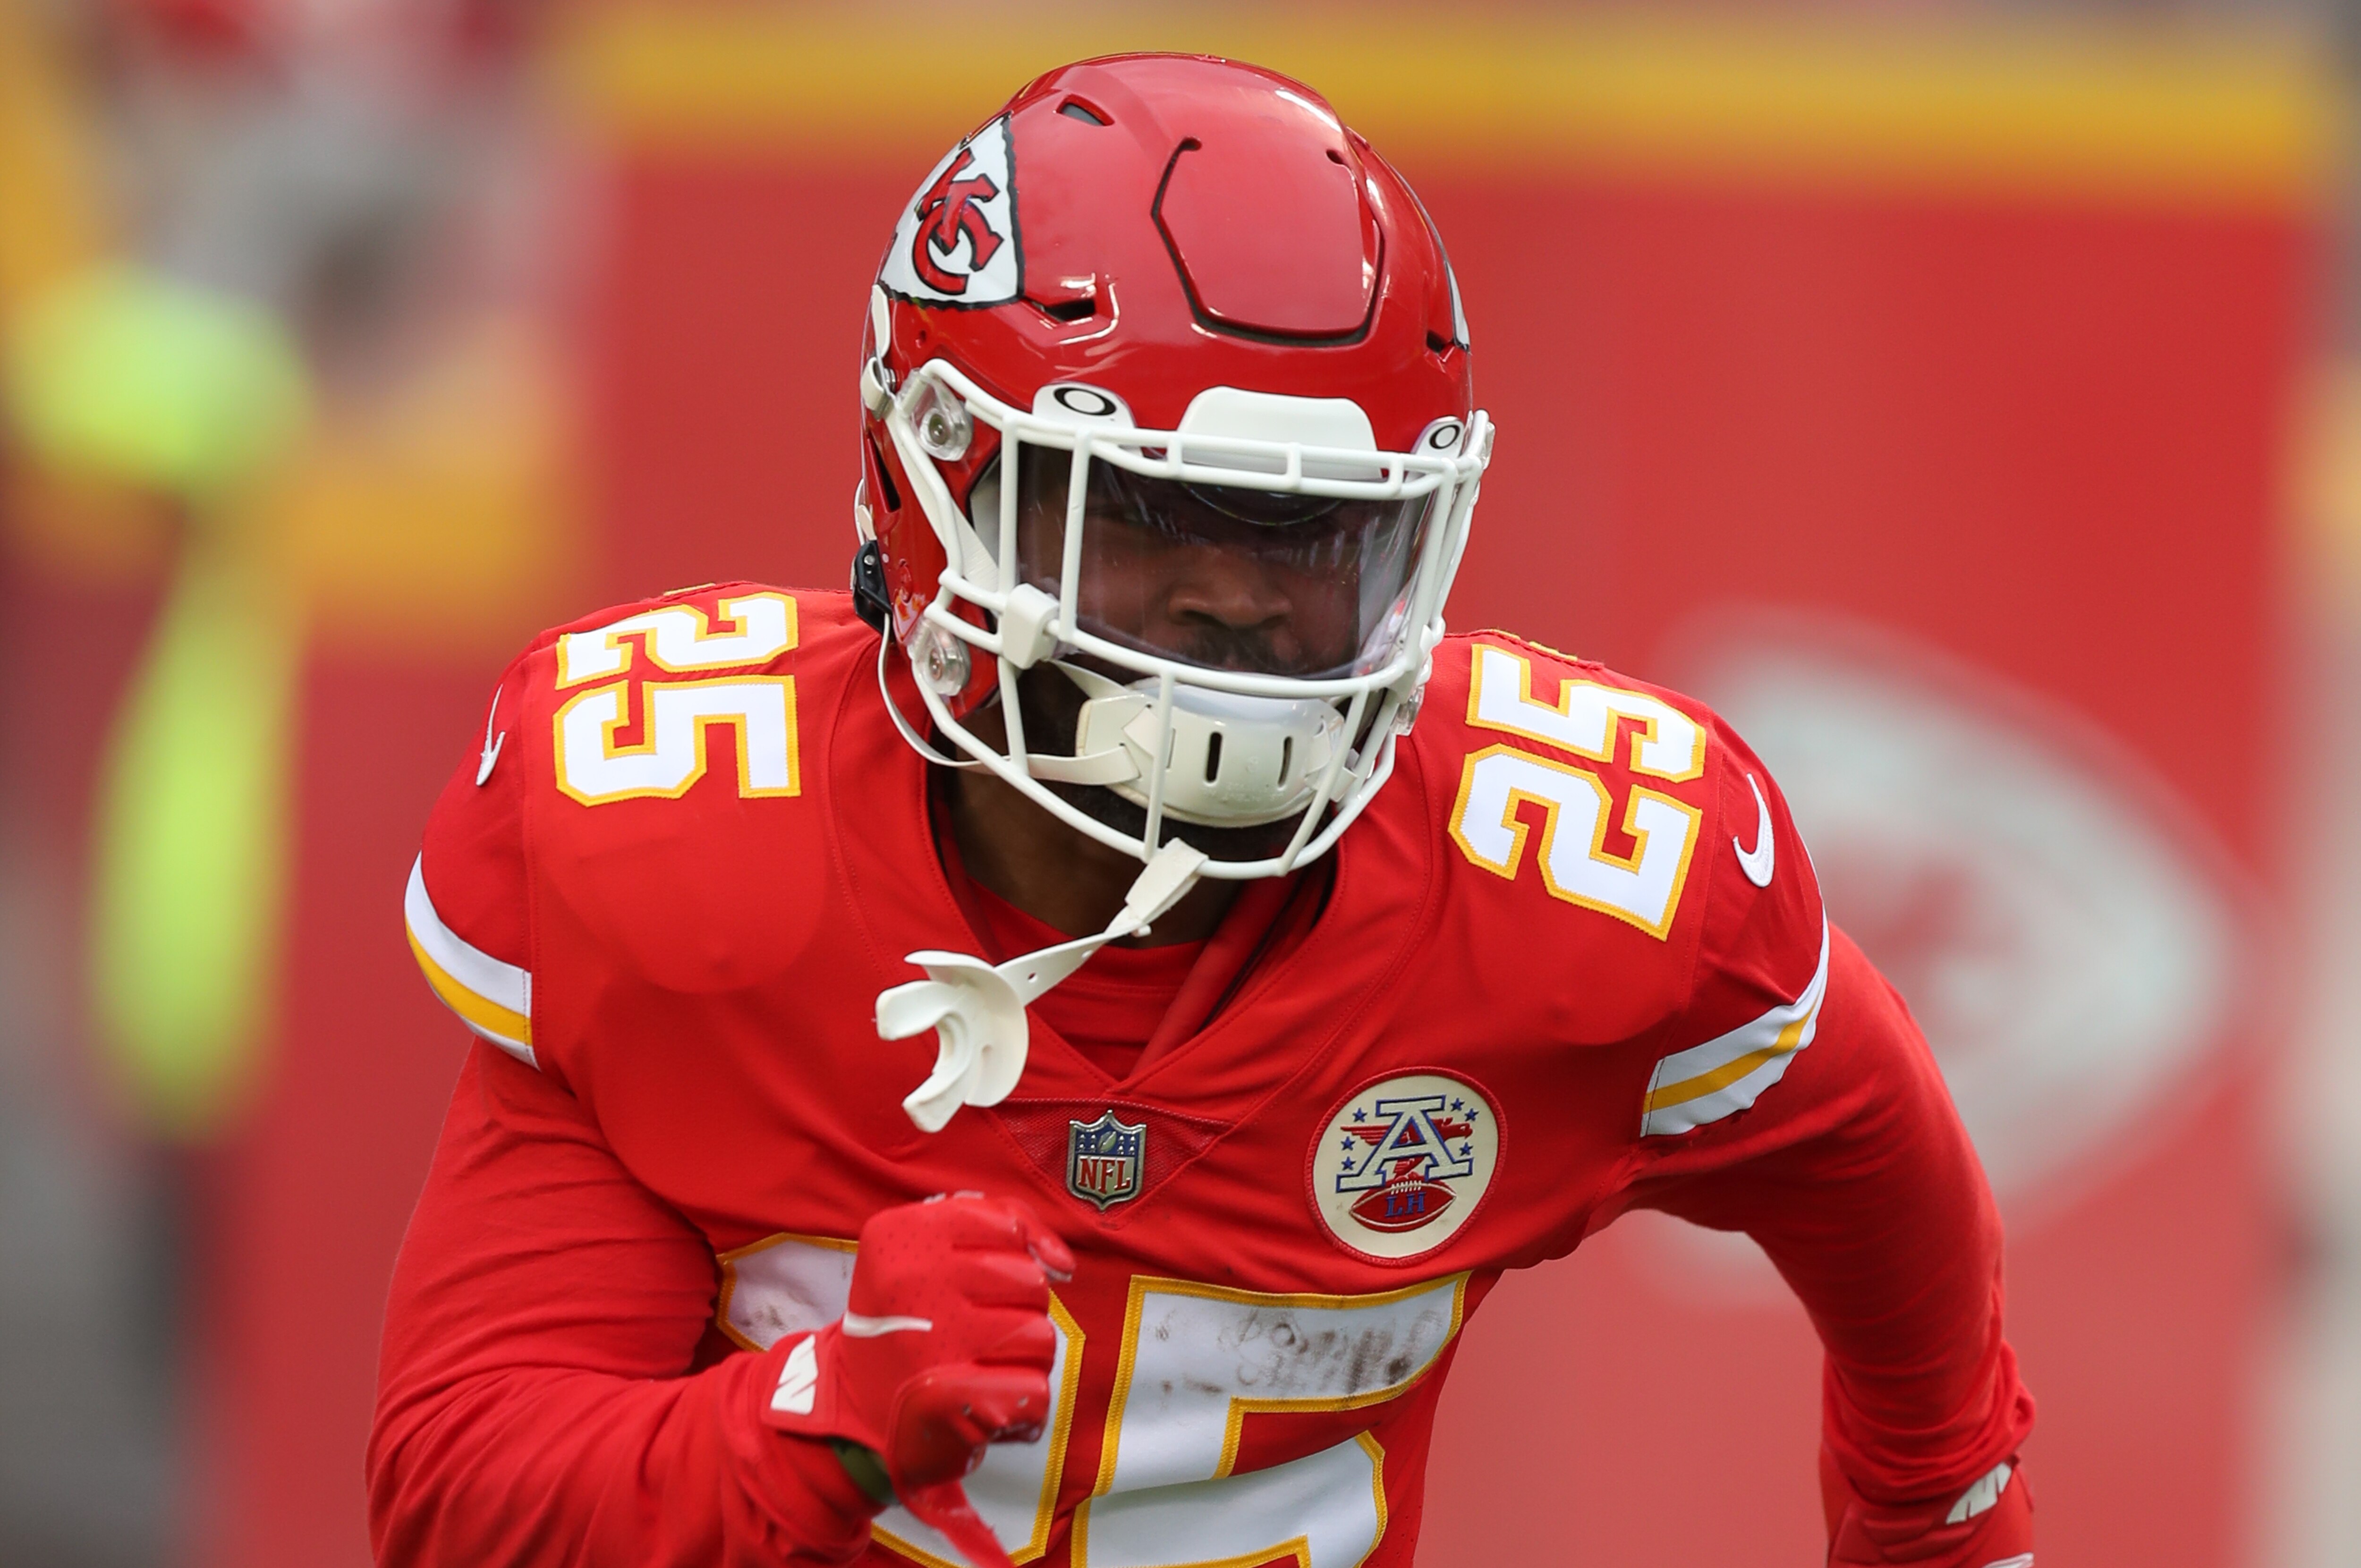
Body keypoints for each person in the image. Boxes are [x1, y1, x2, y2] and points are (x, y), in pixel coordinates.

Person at [368, 53, 2035, 1568]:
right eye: (1152, 512)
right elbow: (460, 1504)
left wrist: (1938, 1515)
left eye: (1311, 536)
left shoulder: (1576, 880)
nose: (1237, 597)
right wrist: (821, 1414)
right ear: (938, 482)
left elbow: (1878, 1158)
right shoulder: (683, 848)